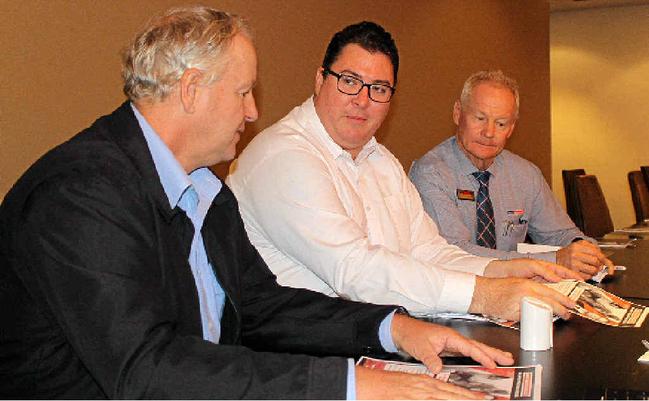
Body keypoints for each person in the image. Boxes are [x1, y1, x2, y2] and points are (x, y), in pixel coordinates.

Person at [0, 7, 516, 399]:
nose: (252, 111)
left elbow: (263, 306)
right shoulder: (80, 194)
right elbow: (146, 369)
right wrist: (350, 383)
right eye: (244, 92)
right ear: (192, 90)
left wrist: (393, 327)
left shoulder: (206, 189)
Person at [227, 21, 581, 323]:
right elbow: (354, 272)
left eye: (378, 89)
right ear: (320, 79)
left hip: (370, 333)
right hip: (299, 357)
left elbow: (430, 251)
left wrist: (506, 270)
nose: (362, 100)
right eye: (349, 81)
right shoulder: (284, 156)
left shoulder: (380, 161)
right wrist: (484, 294)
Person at [408, 70, 614, 280]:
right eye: (480, 118)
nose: (489, 133)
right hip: (454, 295)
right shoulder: (431, 173)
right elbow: (455, 254)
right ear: (458, 113)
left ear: (512, 128)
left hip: (516, 294)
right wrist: (554, 260)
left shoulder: (526, 174)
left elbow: (560, 233)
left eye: (501, 123)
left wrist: (584, 251)